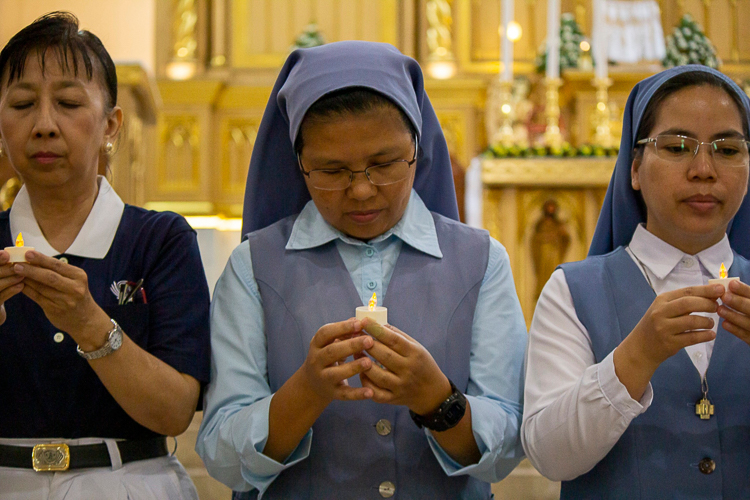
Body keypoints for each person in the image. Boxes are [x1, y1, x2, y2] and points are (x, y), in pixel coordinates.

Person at [196, 41, 527, 499]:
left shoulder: (481, 260)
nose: (362, 192)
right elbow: (221, 455)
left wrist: (438, 401)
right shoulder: (254, 266)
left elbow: (511, 442)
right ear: (299, 164)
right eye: (331, 170)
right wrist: (306, 392)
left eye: (385, 164)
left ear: (417, 147)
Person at [0, 12, 210, 499]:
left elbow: (175, 412)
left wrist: (91, 325)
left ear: (112, 124)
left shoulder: (160, 239)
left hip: (129, 483)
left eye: (69, 103)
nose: (45, 125)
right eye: (23, 104)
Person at [522, 64, 750, 498]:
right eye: (678, 146)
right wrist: (636, 357)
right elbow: (550, 457)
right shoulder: (573, 291)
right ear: (634, 169)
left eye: (727, 149)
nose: (704, 169)